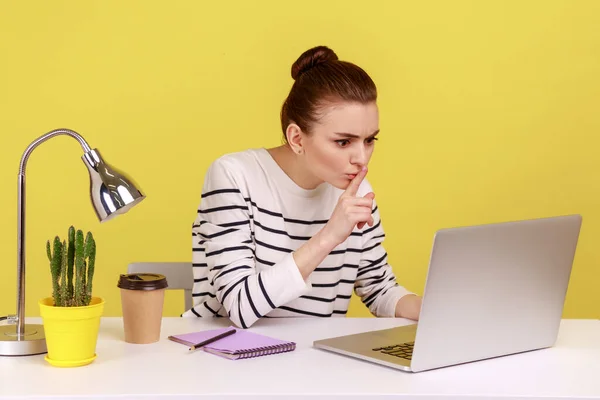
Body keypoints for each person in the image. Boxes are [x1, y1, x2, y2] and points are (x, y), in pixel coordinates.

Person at [182, 45, 423, 328]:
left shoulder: (356, 191)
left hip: (311, 360)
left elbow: (380, 289)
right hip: (225, 356)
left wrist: (440, 311)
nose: (361, 158)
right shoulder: (234, 176)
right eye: (343, 142)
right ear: (296, 138)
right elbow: (240, 305)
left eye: (370, 140)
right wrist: (330, 235)